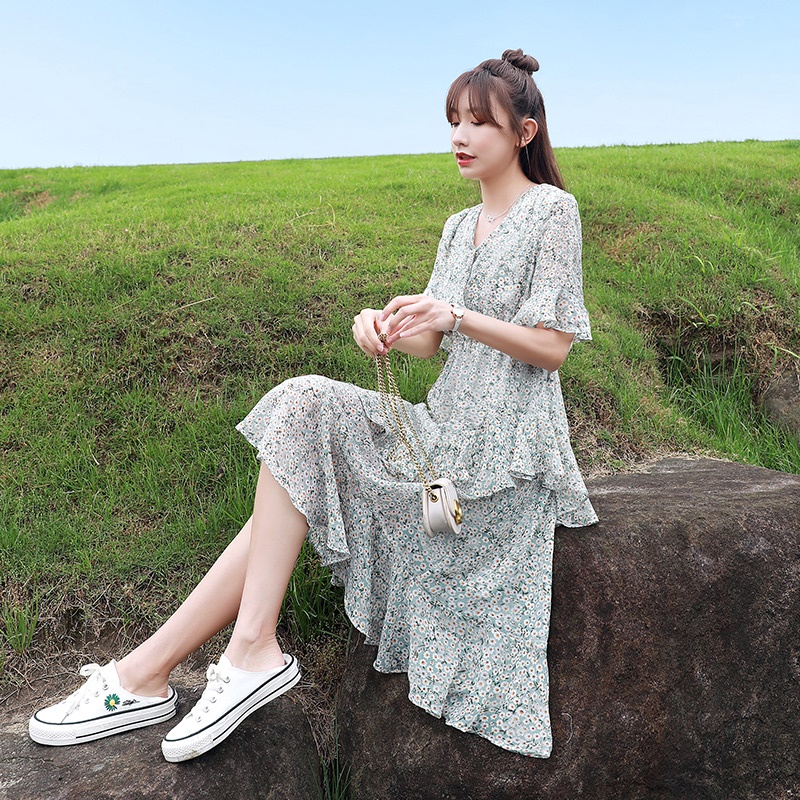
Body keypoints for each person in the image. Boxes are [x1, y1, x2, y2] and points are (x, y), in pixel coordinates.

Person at [28, 48, 597, 762]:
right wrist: (383, 328)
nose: (459, 135)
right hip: (438, 433)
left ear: (524, 132)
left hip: (503, 460)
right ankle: (206, 660)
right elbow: (429, 344)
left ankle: (155, 672)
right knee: (301, 409)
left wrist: (457, 315)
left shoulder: (552, 211)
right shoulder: (458, 226)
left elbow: (551, 346)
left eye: (479, 122)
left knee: (295, 468)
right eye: (453, 119)